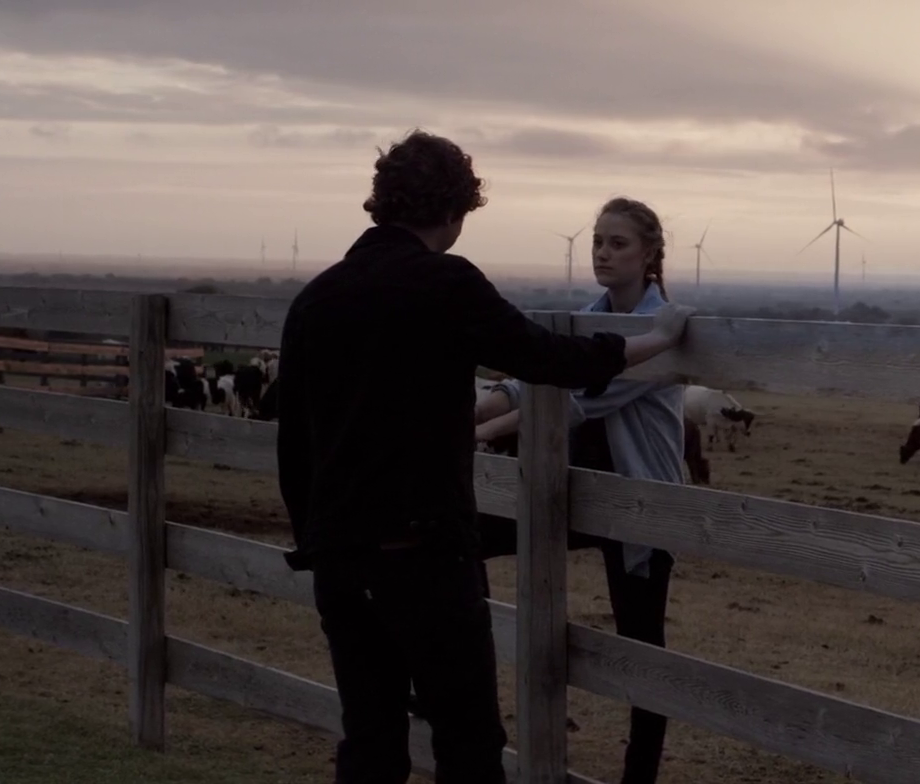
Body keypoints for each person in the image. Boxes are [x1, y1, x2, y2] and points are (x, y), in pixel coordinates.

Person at [274, 129, 694, 784]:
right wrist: (655, 339)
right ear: (455, 211)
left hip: (339, 561)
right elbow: (548, 360)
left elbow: (294, 444)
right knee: (467, 742)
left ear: (381, 202)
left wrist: (316, 541)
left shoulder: (314, 300)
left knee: (370, 739)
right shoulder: (445, 283)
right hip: (425, 556)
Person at [470, 197, 686, 784]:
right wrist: (474, 413)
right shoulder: (586, 319)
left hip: (643, 501)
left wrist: (486, 428)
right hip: (580, 491)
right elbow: (534, 375)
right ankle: (460, 705)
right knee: (462, 538)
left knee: (642, 649)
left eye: (618, 243)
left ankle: (637, 777)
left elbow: (579, 395)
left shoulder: (659, 333)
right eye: (597, 241)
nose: (602, 253)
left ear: (650, 255)